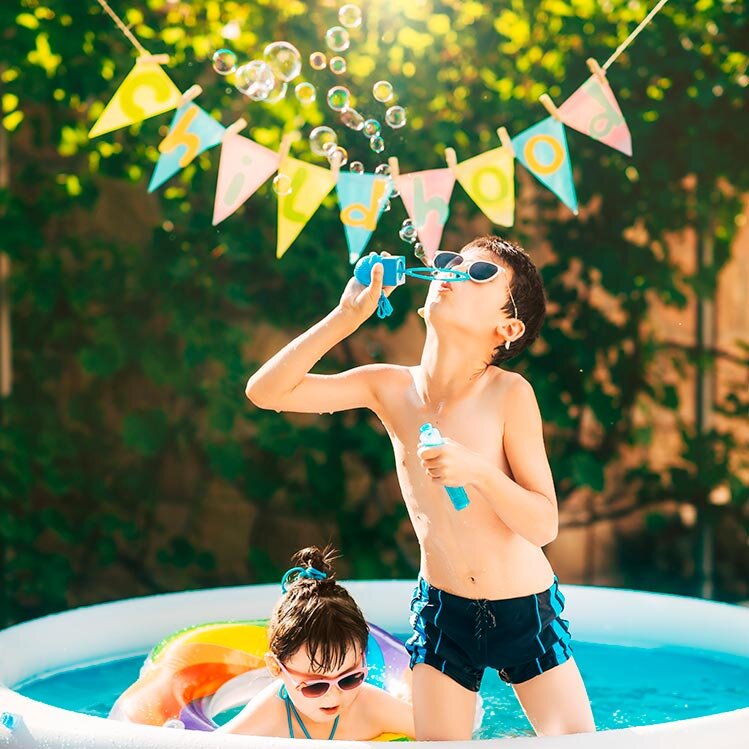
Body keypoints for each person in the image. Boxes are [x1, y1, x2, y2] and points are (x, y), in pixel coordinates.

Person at [245, 235, 596, 739]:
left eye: (478, 275)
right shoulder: (390, 389)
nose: (452, 272)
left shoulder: (509, 395)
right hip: (444, 613)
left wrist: (477, 472)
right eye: (452, 261)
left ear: (507, 327)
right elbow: (266, 392)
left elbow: (543, 524)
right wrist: (348, 315)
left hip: (522, 609)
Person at [219, 546, 414, 740]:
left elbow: (440, 738)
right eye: (315, 686)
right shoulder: (272, 713)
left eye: (349, 679)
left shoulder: (371, 707)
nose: (333, 697)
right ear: (276, 667)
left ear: (362, 658)